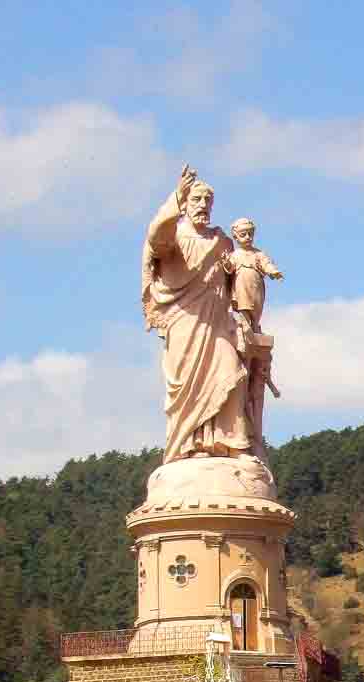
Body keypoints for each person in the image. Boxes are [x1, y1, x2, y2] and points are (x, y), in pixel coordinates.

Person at [141, 166, 253, 462]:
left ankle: (230, 443)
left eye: (207, 201)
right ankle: (190, 445)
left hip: (217, 323)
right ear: (185, 203)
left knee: (231, 373)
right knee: (189, 385)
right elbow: (156, 237)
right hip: (185, 322)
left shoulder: (222, 240)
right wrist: (176, 197)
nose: (203, 205)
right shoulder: (174, 237)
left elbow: (236, 280)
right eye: (196, 200)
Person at [225, 217, 284, 430]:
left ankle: (254, 326)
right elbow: (226, 270)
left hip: (256, 286)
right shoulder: (234, 255)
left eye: (250, 233)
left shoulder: (258, 254)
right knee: (243, 309)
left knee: (255, 309)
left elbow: (267, 264)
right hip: (240, 288)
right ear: (235, 235)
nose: (247, 237)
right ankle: (246, 326)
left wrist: (272, 271)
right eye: (243, 234)